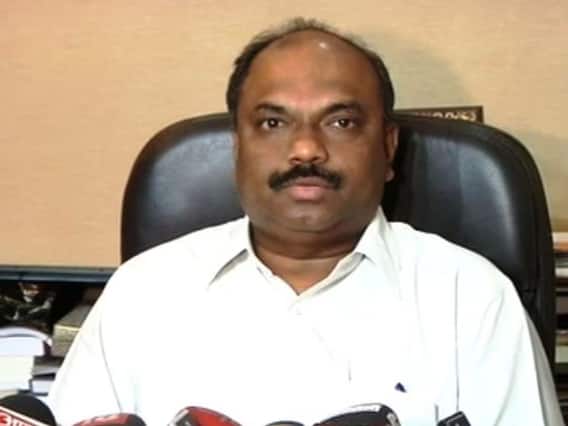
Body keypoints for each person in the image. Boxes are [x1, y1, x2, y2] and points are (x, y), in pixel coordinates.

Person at [48, 18, 563, 425]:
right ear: (237, 148)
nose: (306, 149)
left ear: (387, 148)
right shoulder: (142, 294)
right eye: (273, 122)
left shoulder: (469, 299)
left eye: (340, 122)